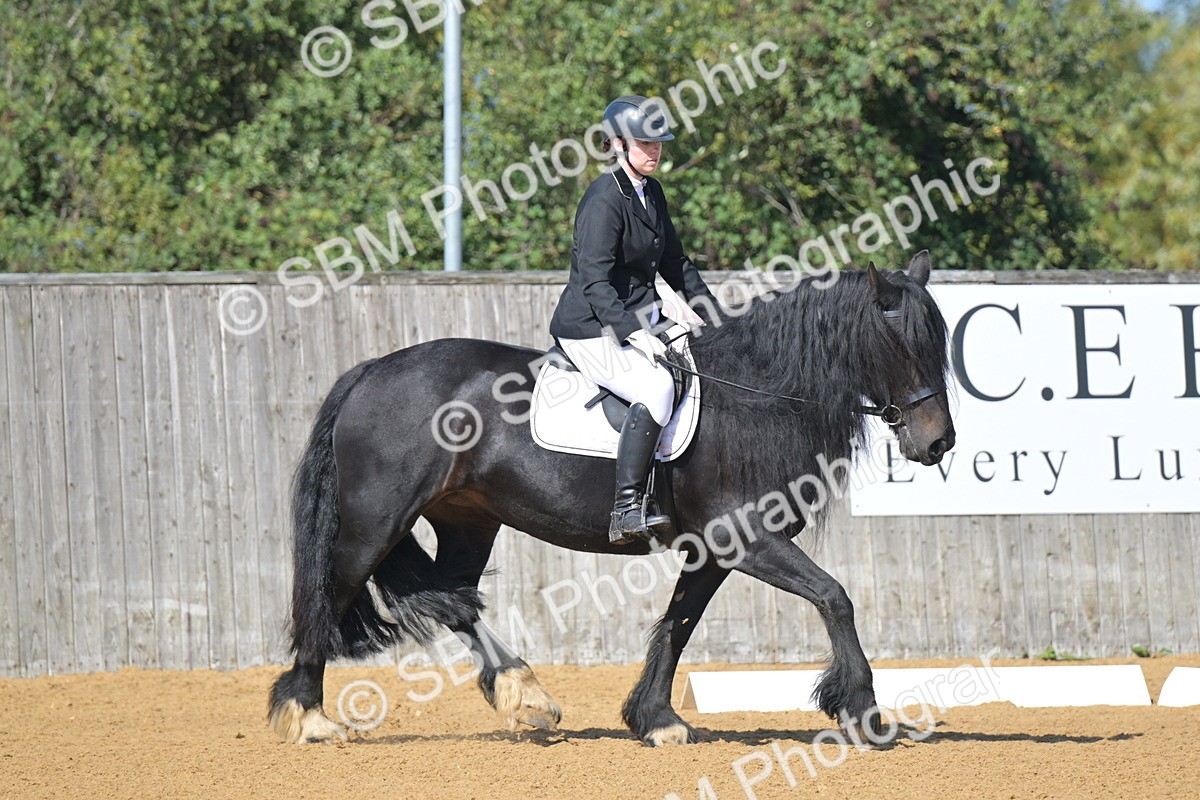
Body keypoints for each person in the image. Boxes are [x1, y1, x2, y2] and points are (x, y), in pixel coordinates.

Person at [549, 94, 719, 545]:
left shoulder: (652, 193)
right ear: (618, 145)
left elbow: (676, 263)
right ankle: (626, 507)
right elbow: (595, 281)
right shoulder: (604, 198)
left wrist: (715, 316)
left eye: (659, 143)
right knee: (657, 386)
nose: (655, 151)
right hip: (590, 325)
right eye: (644, 143)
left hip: (640, 317)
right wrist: (632, 333)